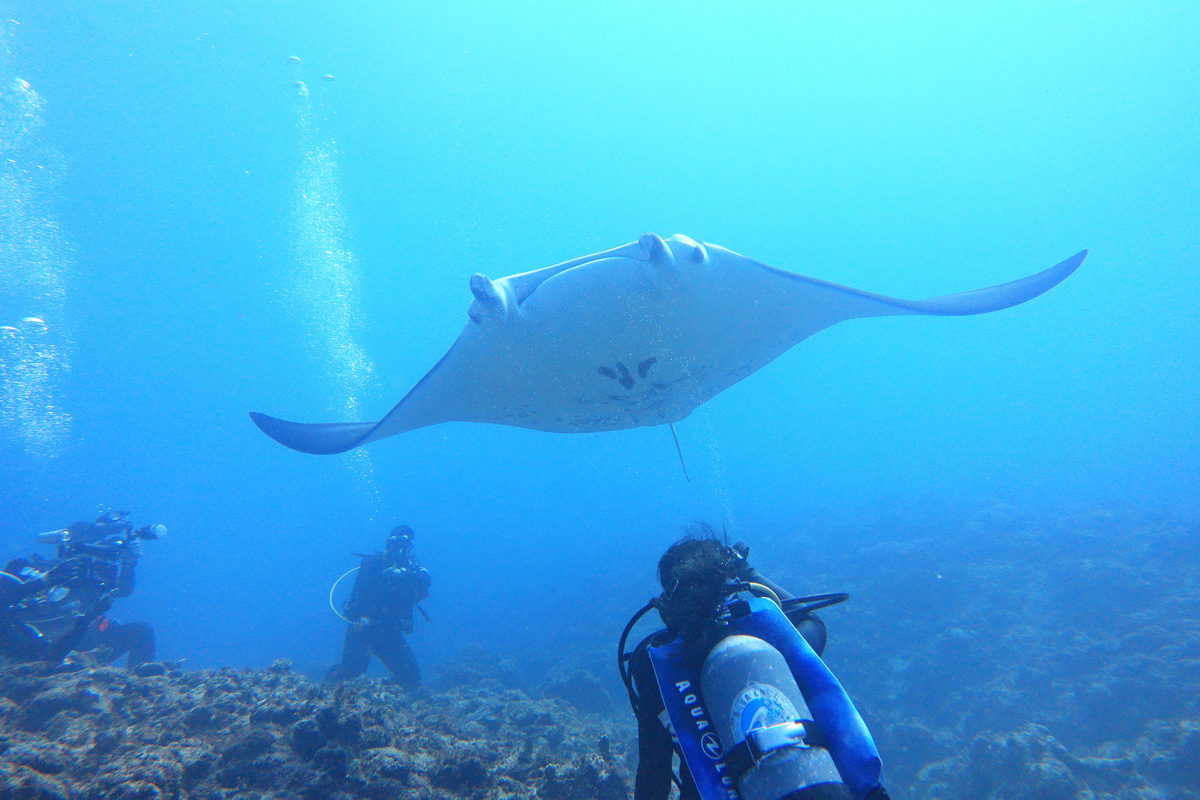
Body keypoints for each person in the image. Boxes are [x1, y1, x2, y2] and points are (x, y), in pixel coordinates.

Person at [623, 526, 889, 800]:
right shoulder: (767, 635)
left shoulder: (656, 664)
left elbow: (654, 772)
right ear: (728, 583)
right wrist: (749, 572)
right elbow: (812, 622)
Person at [0, 511, 161, 667]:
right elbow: (8, 598)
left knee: (141, 631)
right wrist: (46, 580)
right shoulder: (41, 569)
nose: (91, 551)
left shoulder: (100, 573)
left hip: (84, 638)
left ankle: (140, 679)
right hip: (37, 641)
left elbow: (122, 591)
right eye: (85, 544)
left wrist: (129, 563)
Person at [326, 525, 430, 689]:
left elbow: (425, 580)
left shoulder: (412, 568)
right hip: (362, 629)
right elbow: (359, 597)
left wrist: (404, 574)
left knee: (411, 678)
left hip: (390, 632)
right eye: (397, 541)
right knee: (350, 672)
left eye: (406, 543)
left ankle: (382, 694)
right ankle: (323, 693)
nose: (400, 547)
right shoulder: (372, 563)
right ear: (389, 542)